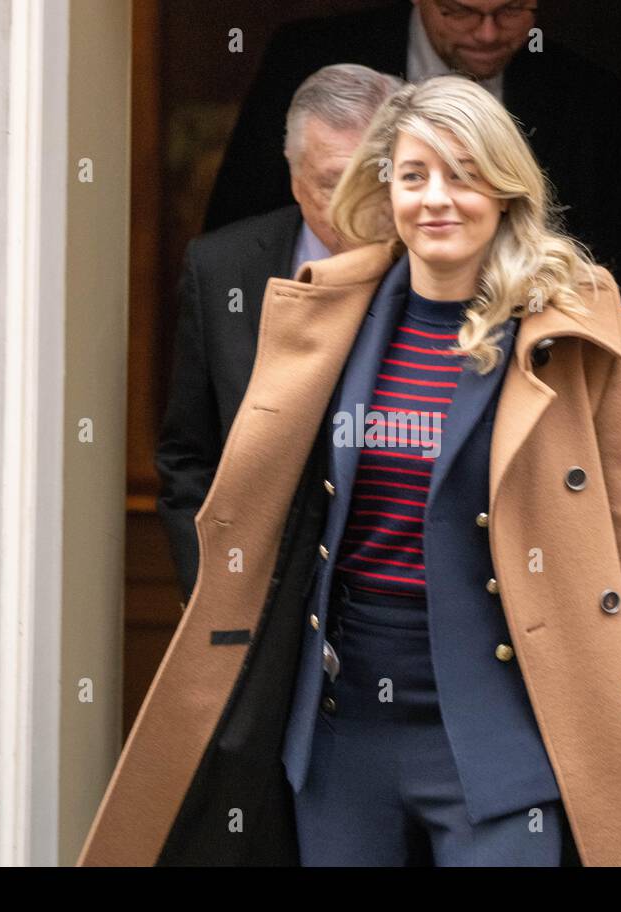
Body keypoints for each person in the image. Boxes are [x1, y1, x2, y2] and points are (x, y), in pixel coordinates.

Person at [79, 76, 621, 868]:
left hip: (504, 742)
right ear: (385, 189)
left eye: (463, 173)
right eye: (413, 176)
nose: (436, 199)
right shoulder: (326, 314)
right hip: (343, 740)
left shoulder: (578, 328)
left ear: (506, 188)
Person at [200, 0, 621, 427]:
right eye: (460, 13)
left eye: (511, 13)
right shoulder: (310, 54)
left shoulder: (587, 93)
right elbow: (241, 228)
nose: (487, 33)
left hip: (525, 376)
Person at [156, 64, 403, 602]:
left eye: (374, 179)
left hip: (396, 598)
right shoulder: (221, 266)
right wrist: (214, 595)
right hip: (259, 598)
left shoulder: (442, 271)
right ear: (294, 178)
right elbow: (188, 457)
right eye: (331, 184)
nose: (352, 207)